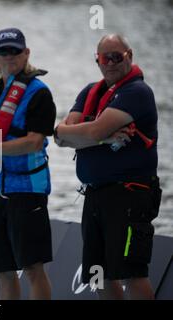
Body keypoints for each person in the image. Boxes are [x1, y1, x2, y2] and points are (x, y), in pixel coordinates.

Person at [55, 34, 162, 300]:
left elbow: (89, 132)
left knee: (131, 273)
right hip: (95, 194)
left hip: (128, 194)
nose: (111, 62)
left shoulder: (137, 92)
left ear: (130, 56)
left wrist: (86, 134)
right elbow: (61, 137)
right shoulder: (90, 91)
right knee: (98, 274)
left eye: (118, 56)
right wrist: (97, 135)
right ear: (97, 60)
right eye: (106, 57)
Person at [0, 28, 56, 300]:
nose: (9, 56)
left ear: (26, 53)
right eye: (3, 51)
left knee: (33, 269)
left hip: (26, 191)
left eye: (15, 51)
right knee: (2, 271)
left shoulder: (39, 93)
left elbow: (34, 142)